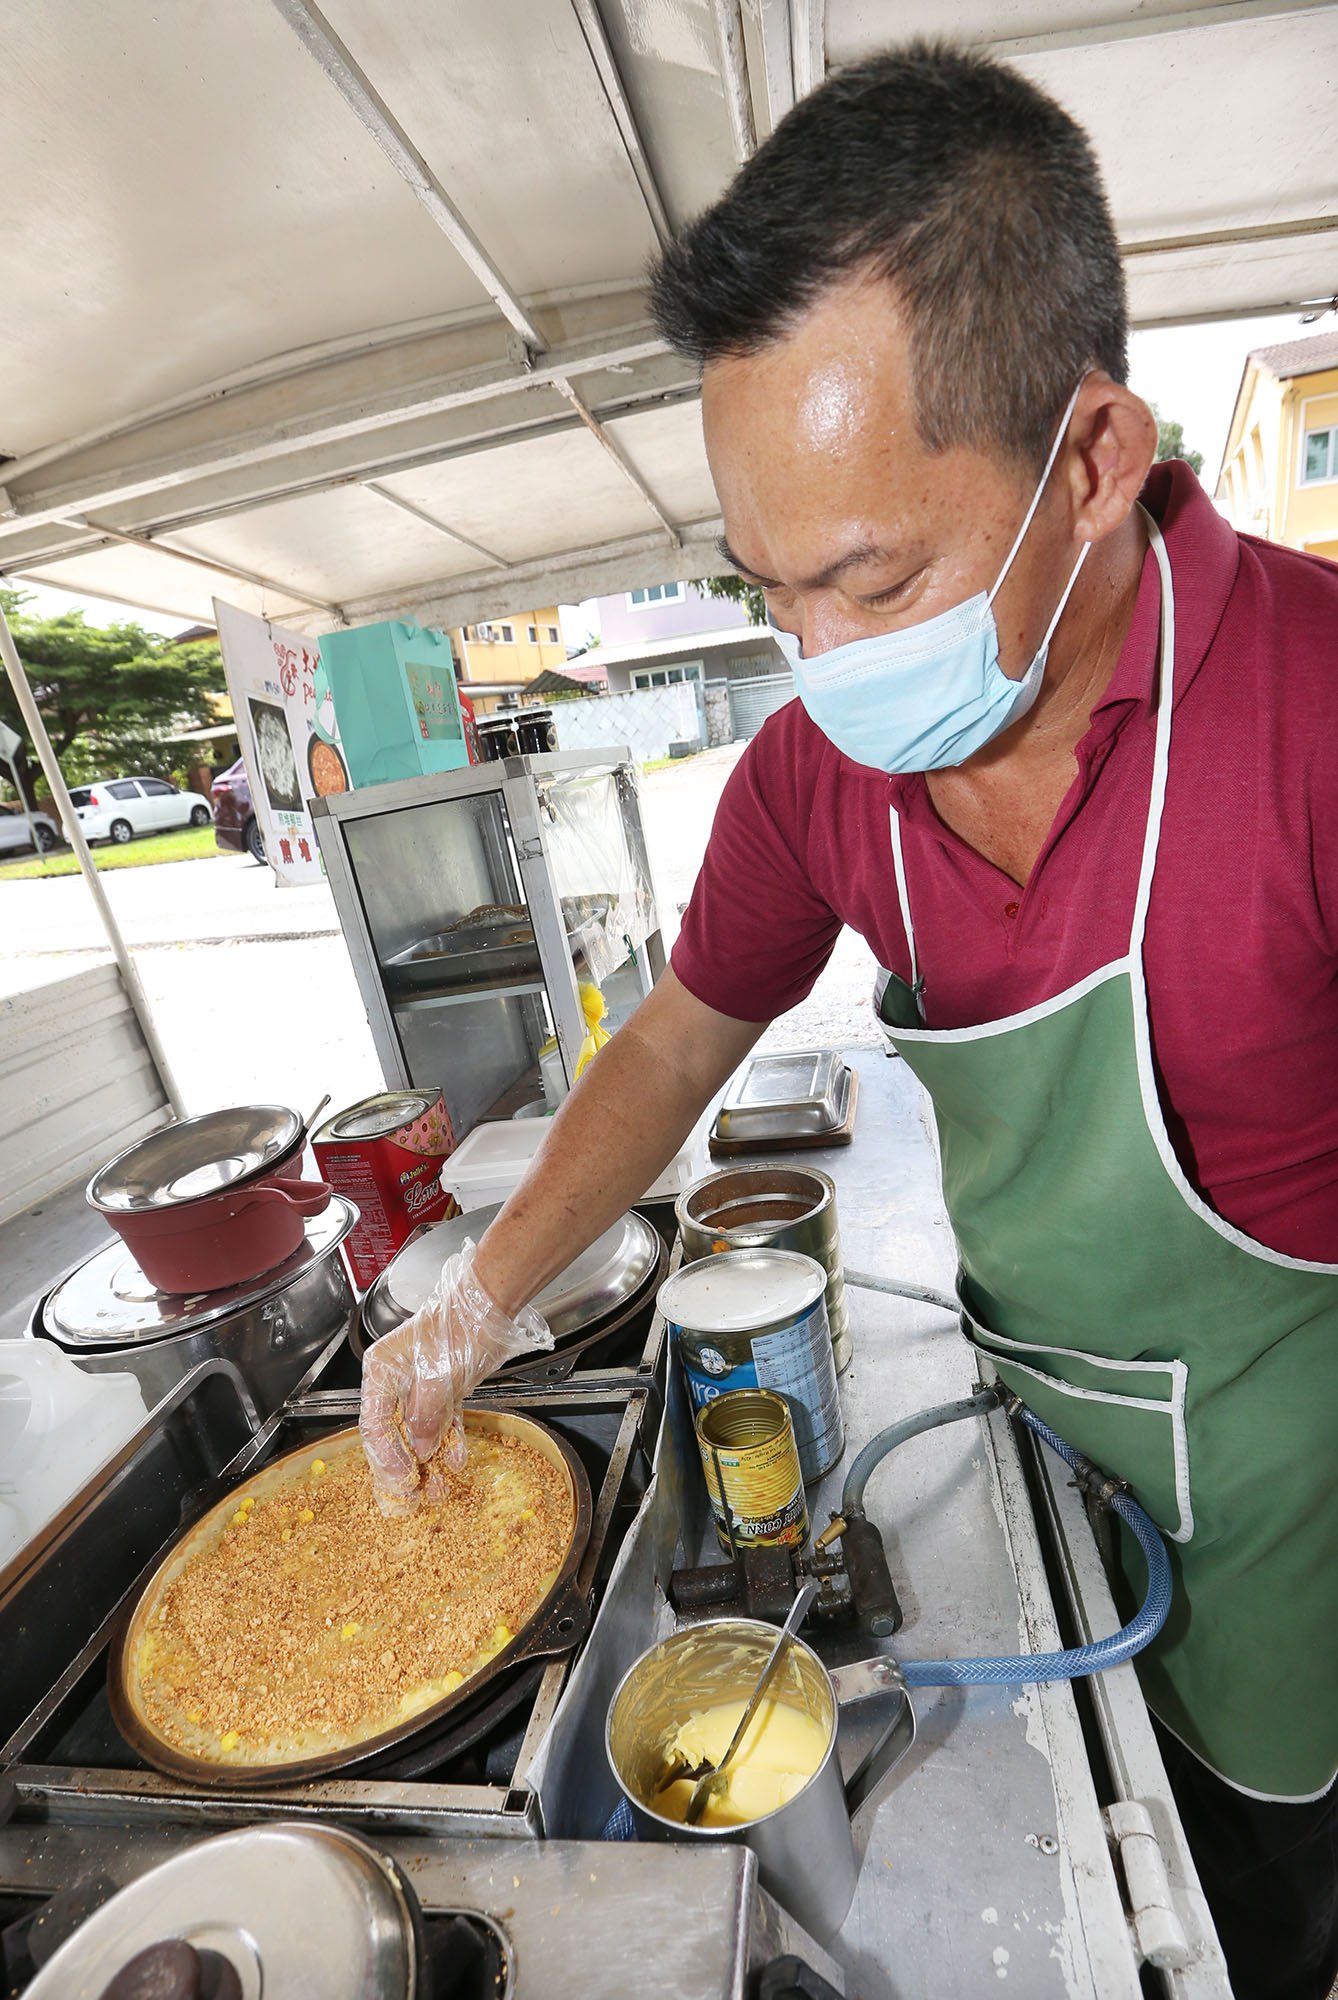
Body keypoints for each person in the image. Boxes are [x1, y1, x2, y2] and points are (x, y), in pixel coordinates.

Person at [360, 44, 1338, 1999]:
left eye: (870, 578)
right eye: (770, 590)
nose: (815, 661)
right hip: (1040, 1443)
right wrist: (485, 1287)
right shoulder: (816, 778)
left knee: (1265, 1898)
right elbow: (668, 1045)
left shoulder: (1311, 710)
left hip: (1299, 1504)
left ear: (1091, 457)